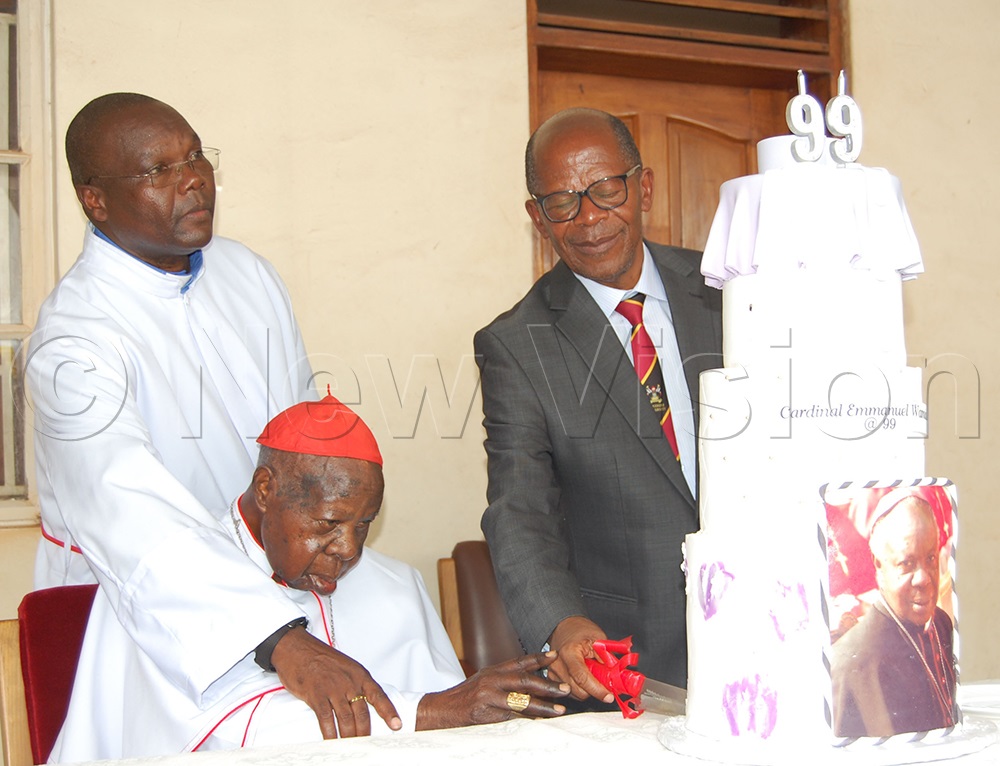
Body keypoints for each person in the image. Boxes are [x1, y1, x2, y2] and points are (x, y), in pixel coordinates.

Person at [25, 93, 399, 747]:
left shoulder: (247, 275)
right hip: (142, 617)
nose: (193, 179)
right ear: (96, 200)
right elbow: (129, 517)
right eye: (158, 170)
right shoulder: (72, 340)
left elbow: (297, 438)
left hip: (271, 579)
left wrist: (308, 536)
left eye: (196, 155)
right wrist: (276, 638)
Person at [53, 396, 569, 760]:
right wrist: (436, 711)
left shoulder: (395, 587)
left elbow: (451, 733)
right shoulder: (167, 581)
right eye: (327, 525)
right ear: (265, 489)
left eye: (363, 525)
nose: (348, 550)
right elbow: (234, 737)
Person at [474, 107, 722, 704]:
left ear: (645, 186)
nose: (589, 218)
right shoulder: (516, 344)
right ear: (537, 217)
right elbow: (520, 510)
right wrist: (562, 624)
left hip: (769, 630)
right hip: (631, 665)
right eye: (561, 202)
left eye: (607, 190)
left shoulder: (726, 291)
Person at [831, 491, 958, 737]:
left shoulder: (941, 625)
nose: (923, 579)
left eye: (930, 558)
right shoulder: (848, 664)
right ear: (878, 565)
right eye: (906, 564)